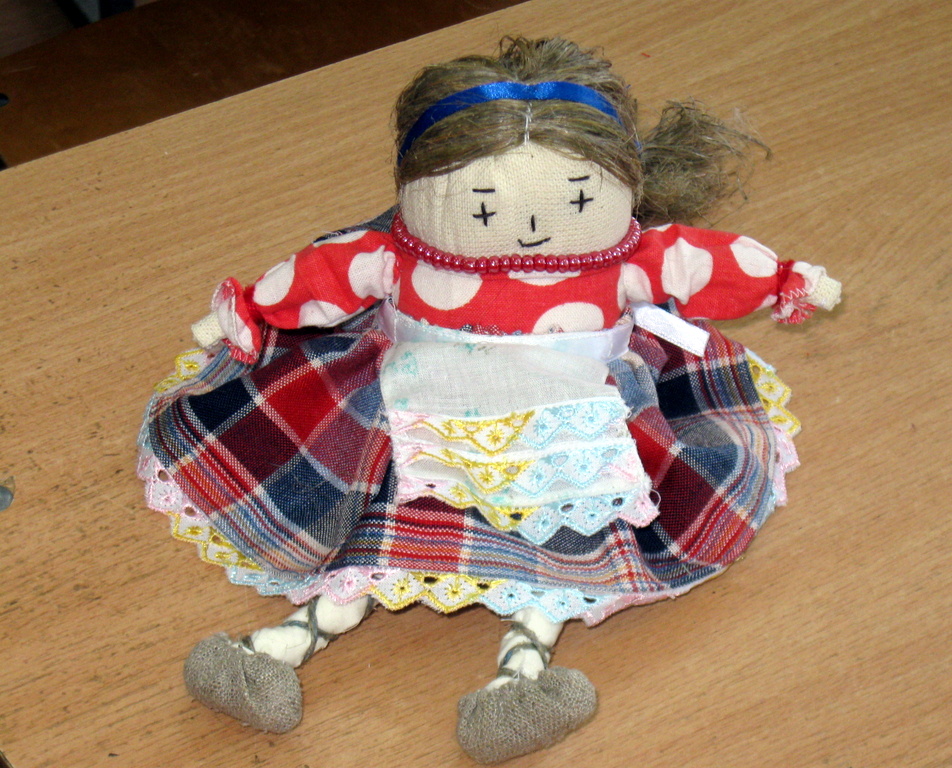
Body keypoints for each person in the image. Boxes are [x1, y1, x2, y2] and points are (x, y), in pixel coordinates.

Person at [139, 37, 840, 763]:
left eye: (578, 200)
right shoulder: (395, 255)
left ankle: (520, 675)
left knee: (568, 523)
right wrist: (251, 309)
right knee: (379, 514)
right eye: (480, 207)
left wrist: (782, 279)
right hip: (411, 400)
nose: (530, 230)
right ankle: (281, 647)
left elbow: (705, 263)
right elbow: (321, 278)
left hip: (577, 414)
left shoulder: (628, 262)